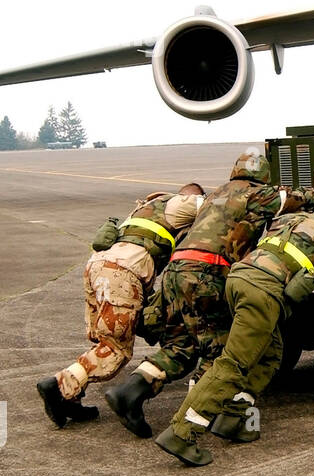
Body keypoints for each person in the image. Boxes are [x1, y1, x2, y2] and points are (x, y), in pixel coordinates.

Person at [155, 198, 314, 466]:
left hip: (239, 280)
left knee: (270, 355)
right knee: (233, 364)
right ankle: (182, 432)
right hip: (262, 293)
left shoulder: (293, 220)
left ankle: (233, 417)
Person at [104, 150, 314, 438]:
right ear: (263, 176)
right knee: (219, 349)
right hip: (207, 273)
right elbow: (295, 200)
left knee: (180, 345)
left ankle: (130, 391)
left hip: (176, 270)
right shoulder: (257, 194)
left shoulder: (215, 194)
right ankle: (194, 419)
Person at [35, 183, 204, 428]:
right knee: (117, 349)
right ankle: (59, 385)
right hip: (123, 272)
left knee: (103, 340)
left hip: (98, 266)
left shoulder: (146, 207)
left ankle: (70, 398)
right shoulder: (182, 203)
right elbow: (220, 204)